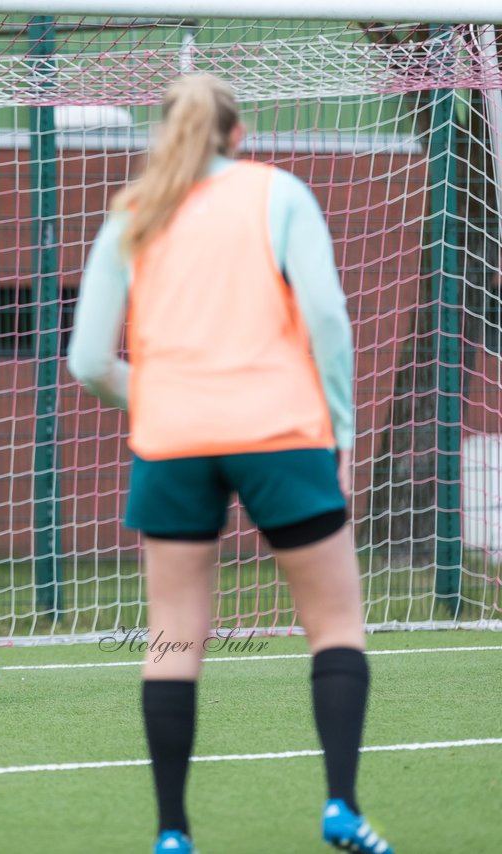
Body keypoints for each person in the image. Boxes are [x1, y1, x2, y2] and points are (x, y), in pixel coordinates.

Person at [68, 74, 392, 854]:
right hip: (280, 431)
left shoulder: (133, 212)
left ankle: (173, 834)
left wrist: (156, 393)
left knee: (174, 637)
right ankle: (341, 807)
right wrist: (341, 431)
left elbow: (86, 360)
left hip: (172, 441)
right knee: (337, 624)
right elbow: (326, 315)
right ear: (237, 133)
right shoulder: (276, 193)